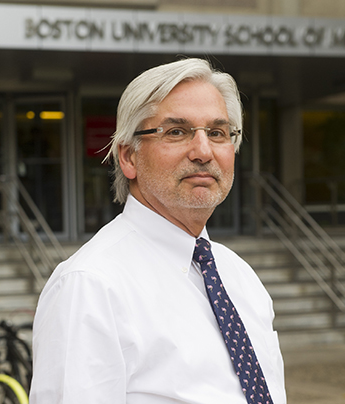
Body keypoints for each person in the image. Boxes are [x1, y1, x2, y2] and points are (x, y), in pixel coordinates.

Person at [30, 58, 286, 404]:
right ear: (128, 158)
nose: (203, 151)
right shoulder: (90, 286)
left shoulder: (240, 277)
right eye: (176, 132)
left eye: (217, 132)